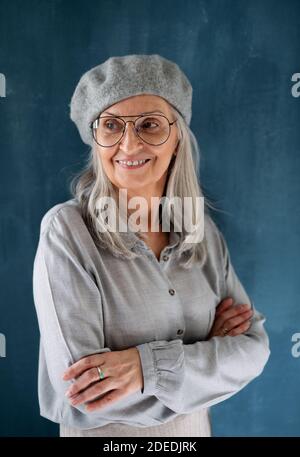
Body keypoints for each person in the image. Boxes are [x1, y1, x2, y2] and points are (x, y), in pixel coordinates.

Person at [32, 54, 270, 437]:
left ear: (177, 136)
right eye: (111, 126)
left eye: (149, 125)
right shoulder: (67, 231)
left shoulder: (203, 233)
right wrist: (209, 359)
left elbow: (254, 350)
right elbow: (84, 395)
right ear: (96, 139)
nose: (129, 144)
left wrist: (146, 369)